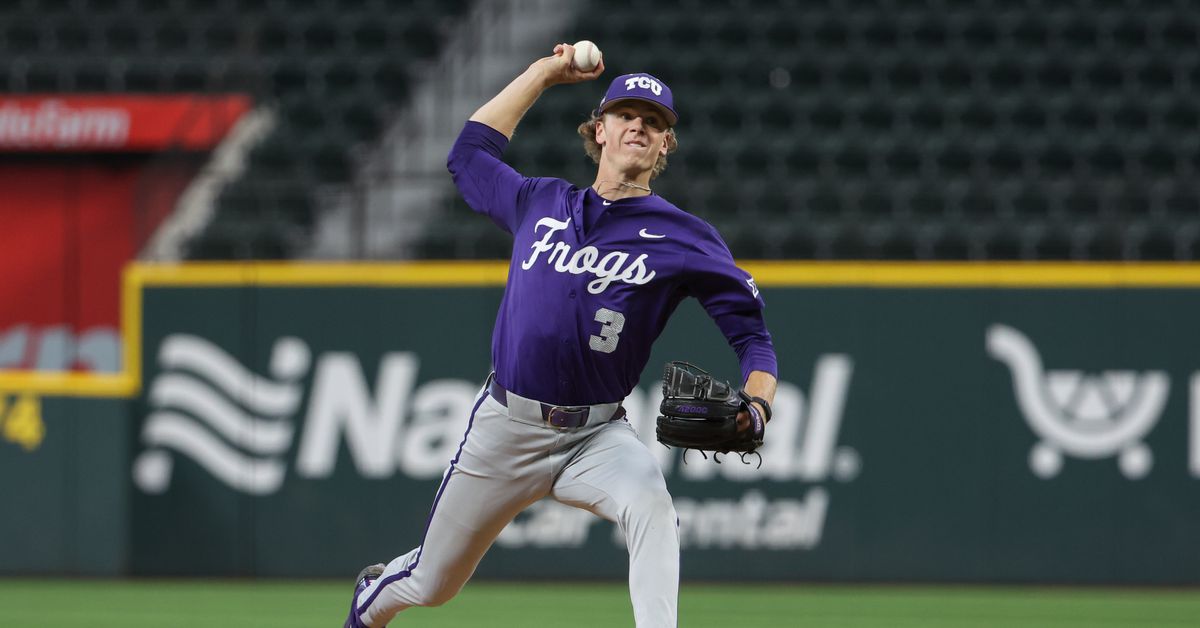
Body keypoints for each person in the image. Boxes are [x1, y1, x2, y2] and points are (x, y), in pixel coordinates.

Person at [345, 43, 777, 628]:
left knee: (652, 505)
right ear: (599, 129)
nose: (640, 128)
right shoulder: (539, 201)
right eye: (627, 115)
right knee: (433, 582)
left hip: (597, 436)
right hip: (505, 427)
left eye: (654, 123)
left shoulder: (686, 237)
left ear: (666, 144)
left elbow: (754, 338)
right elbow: (468, 154)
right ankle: (370, 605)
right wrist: (544, 74)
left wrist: (758, 406)